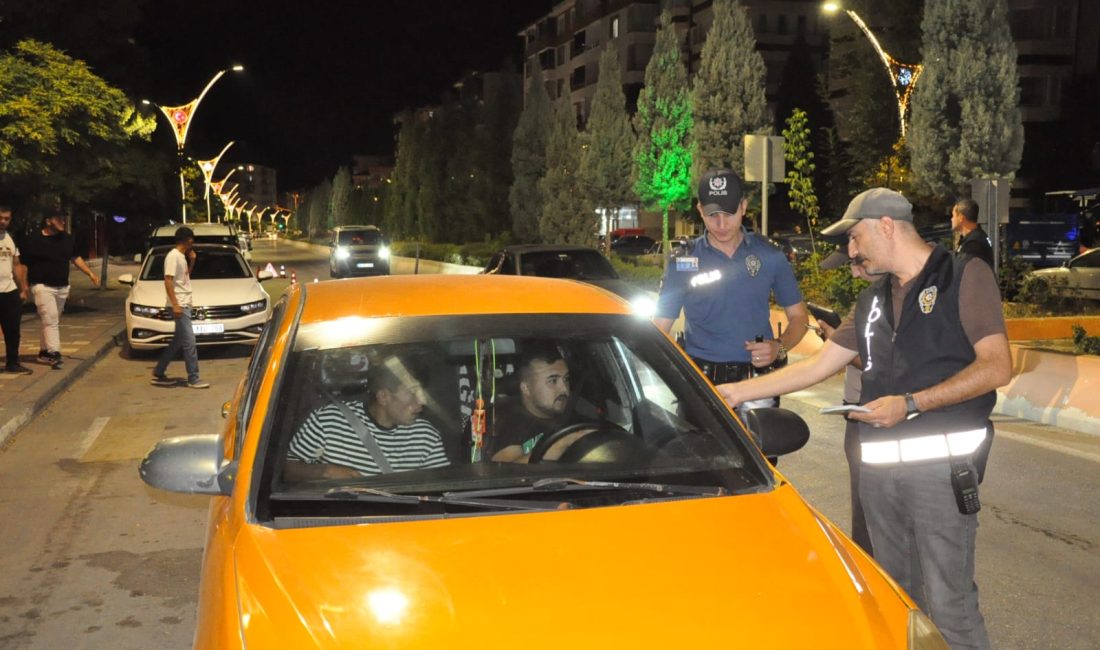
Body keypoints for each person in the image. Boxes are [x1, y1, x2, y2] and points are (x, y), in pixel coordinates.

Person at [718, 188, 1011, 649]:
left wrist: (911, 403)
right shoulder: (873, 300)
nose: (851, 251)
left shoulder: (964, 275)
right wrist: (730, 393)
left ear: (886, 226)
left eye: (855, 238)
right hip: (877, 478)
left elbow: (997, 366)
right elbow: (816, 367)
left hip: (940, 475)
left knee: (950, 605)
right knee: (894, 600)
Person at [653, 168, 808, 419]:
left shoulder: (770, 256)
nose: (722, 224)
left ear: (744, 207)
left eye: (729, 213)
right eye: (713, 215)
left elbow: (800, 318)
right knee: (705, 457)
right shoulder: (684, 261)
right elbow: (659, 329)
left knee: (761, 457)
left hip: (759, 385)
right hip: (702, 384)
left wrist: (778, 348)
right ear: (700, 210)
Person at [285, 355, 449, 479]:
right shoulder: (328, 420)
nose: (422, 401)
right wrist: (324, 471)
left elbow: (442, 486)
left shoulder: (426, 436)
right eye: (412, 393)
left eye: (422, 393)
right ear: (384, 396)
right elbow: (287, 468)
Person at [816, 247, 873, 555]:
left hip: (873, 415)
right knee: (863, 513)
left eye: (857, 262)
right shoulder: (869, 301)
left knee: (871, 520)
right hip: (856, 411)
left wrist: (838, 346)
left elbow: (871, 361)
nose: (853, 272)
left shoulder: (885, 302)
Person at [20, 211, 100, 368]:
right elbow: (23, 263)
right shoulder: (34, 240)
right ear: (48, 221)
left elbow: (75, 257)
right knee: (51, 319)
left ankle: (44, 352)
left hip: (62, 286)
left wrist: (90, 273)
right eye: (59, 219)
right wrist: (24, 285)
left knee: (50, 320)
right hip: (42, 286)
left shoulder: (67, 239)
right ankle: (53, 352)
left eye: (64, 219)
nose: (63, 222)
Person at [487, 345, 574, 463]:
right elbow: (507, 473)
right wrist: (563, 443)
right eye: (553, 381)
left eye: (566, 379)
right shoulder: (508, 422)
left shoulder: (573, 415)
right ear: (526, 388)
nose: (564, 389)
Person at [150, 227, 209, 389]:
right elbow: (168, 281)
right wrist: (175, 304)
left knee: (178, 341)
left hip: (184, 303)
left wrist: (192, 261)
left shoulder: (181, 257)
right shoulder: (173, 257)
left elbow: (184, 277)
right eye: (192, 239)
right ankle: (193, 377)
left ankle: (159, 370)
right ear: (187, 239)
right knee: (189, 341)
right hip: (179, 304)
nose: (193, 242)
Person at [0, 205, 31, 374]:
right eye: (0, 218)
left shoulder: (9, 238)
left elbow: (16, 264)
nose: (3, 221)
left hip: (9, 291)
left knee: (12, 329)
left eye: (6, 218)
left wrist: (23, 288)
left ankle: (12, 362)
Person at [951, 199, 994, 269]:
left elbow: (965, 270)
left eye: (953, 216)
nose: (952, 219)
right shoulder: (976, 237)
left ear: (961, 218)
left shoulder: (974, 243)